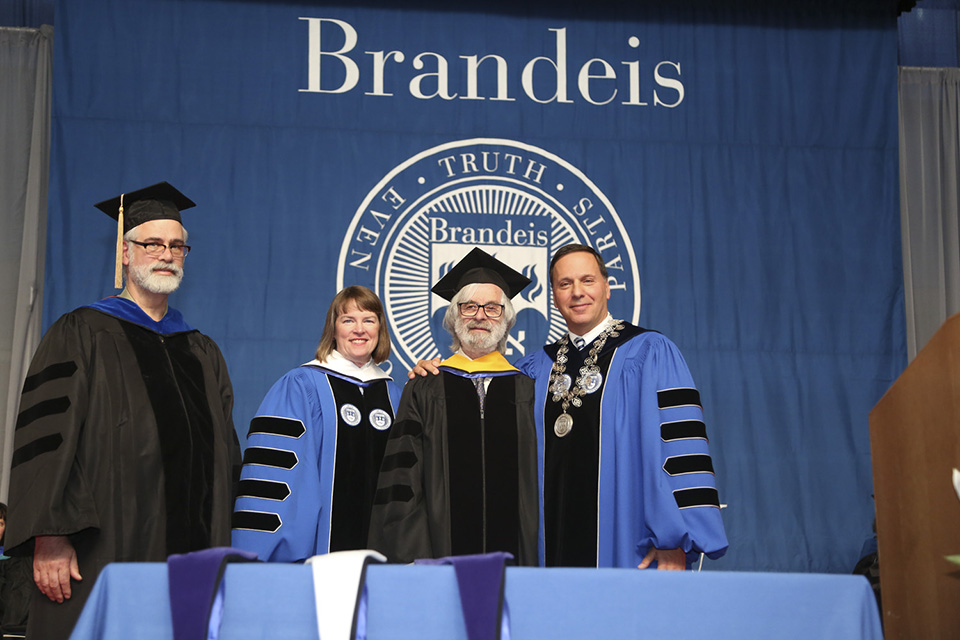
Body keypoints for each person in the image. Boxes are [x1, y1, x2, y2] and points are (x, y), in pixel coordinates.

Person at [5, 182, 241, 639]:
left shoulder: (202, 351)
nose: (166, 254)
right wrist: (50, 537)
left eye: (177, 246)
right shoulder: (82, 332)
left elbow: (225, 457)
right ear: (126, 253)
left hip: (190, 553)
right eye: (152, 243)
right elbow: (47, 441)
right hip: (102, 544)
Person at [413, 244, 727, 569]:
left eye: (587, 280)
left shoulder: (649, 354)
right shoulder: (532, 370)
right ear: (554, 296)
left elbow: (680, 451)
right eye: (565, 284)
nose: (577, 292)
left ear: (606, 287)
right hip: (545, 554)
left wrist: (675, 540)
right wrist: (432, 381)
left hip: (633, 546)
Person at [369, 248, 538, 565]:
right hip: (437, 562)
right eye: (469, 306)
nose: (480, 316)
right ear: (454, 317)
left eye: (492, 308)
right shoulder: (424, 386)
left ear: (507, 319)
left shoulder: (528, 389)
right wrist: (416, 559)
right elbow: (403, 485)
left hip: (520, 562)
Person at [231, 285, 401, 561]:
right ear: (333, 330)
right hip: (315, 555)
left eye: (369, 320)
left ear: (380, 330)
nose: (359, 329)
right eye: (348, 320)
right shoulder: (301, 386)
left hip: (384, 554)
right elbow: (281, 478)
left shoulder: (395, 395)